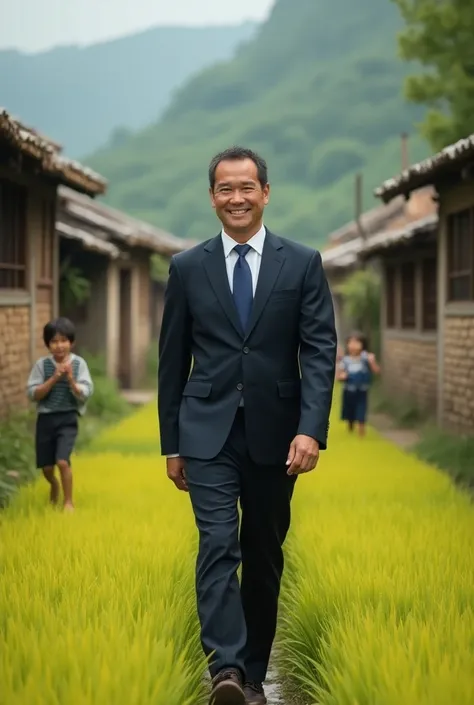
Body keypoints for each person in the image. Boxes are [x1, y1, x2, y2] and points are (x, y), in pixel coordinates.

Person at [158, 146, 337, 705]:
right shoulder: (187, 267)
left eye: (246, 188)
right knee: (217, 545)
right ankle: (226, 674)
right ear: (212, 197)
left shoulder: (302, 262)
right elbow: (172, 360)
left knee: (262, 552)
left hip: (276, 433)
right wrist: (172, 444)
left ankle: (254, 676)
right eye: (224, 189)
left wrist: (310, 430)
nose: (236, 198)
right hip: (206, 431)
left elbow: (320, 350)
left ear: (265, 193)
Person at [26, 317, 94, 511]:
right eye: (54, 341)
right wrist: (54, 378)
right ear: (48, 344)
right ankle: (54, 484)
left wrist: (71, 380)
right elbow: (32, 393)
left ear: (71, 342)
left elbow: (86, 393)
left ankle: (68, 502)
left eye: (63, 340)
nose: (59, 346)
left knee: (63, 462)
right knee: (47, 468)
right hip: (46, 419)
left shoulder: (79, 364)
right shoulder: (42, 365)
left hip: (68, 419)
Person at [337, 332, 380, 436]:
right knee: (349, 409)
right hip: (349, 389)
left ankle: (361, 429)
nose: (353, 345)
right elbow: (339, 375)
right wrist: (342, 376)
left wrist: (372, 361)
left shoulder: (366, 358)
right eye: (351, 343)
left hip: (362, 389)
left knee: (361, 409)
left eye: (357, 342)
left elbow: (377, 371)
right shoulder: (345, 360)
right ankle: (350, 424)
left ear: (363, 344)